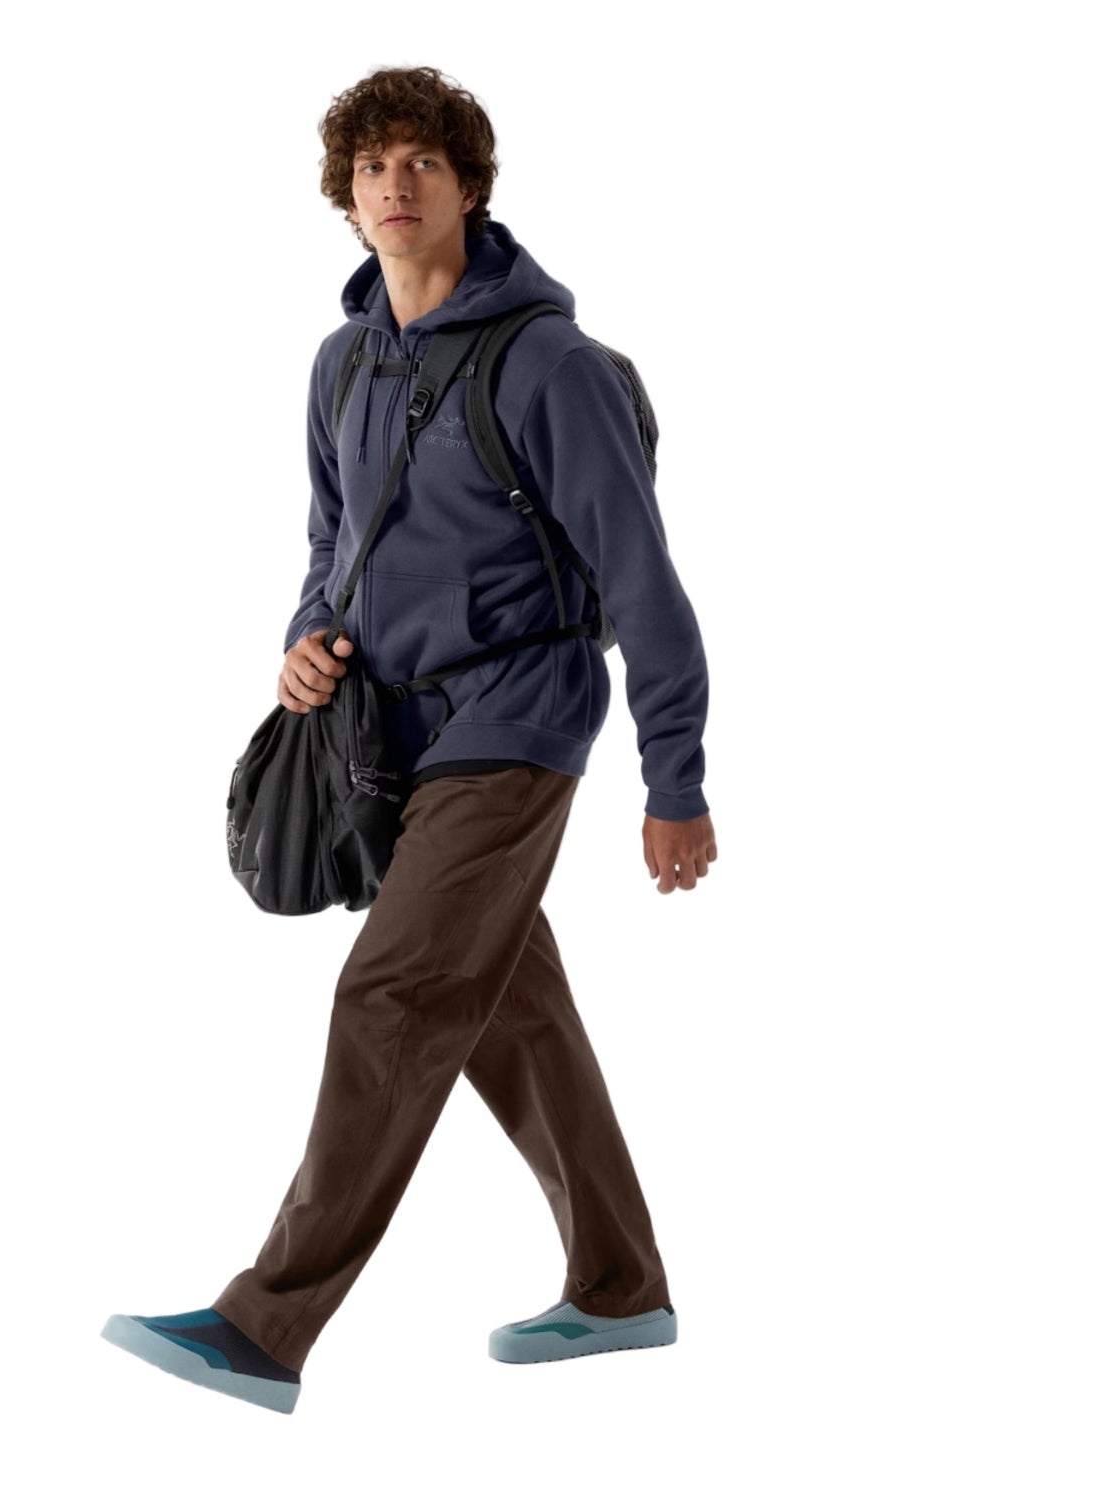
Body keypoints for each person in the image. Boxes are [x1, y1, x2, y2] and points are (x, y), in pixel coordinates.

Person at [101, 65, 717, 1415]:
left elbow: (644, 580)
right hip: (385, 732)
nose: (395, 184)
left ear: (469, 186)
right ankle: (623, 1287)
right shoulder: (342, 363)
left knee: (393, 994)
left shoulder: (551, 367)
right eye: (372, 164)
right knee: (507, 1008)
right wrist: (307, 637)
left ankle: (264, 1327)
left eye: (423, 161)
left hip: (518, 720)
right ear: (346, 195)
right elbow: (333, 541)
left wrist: (675, 779)